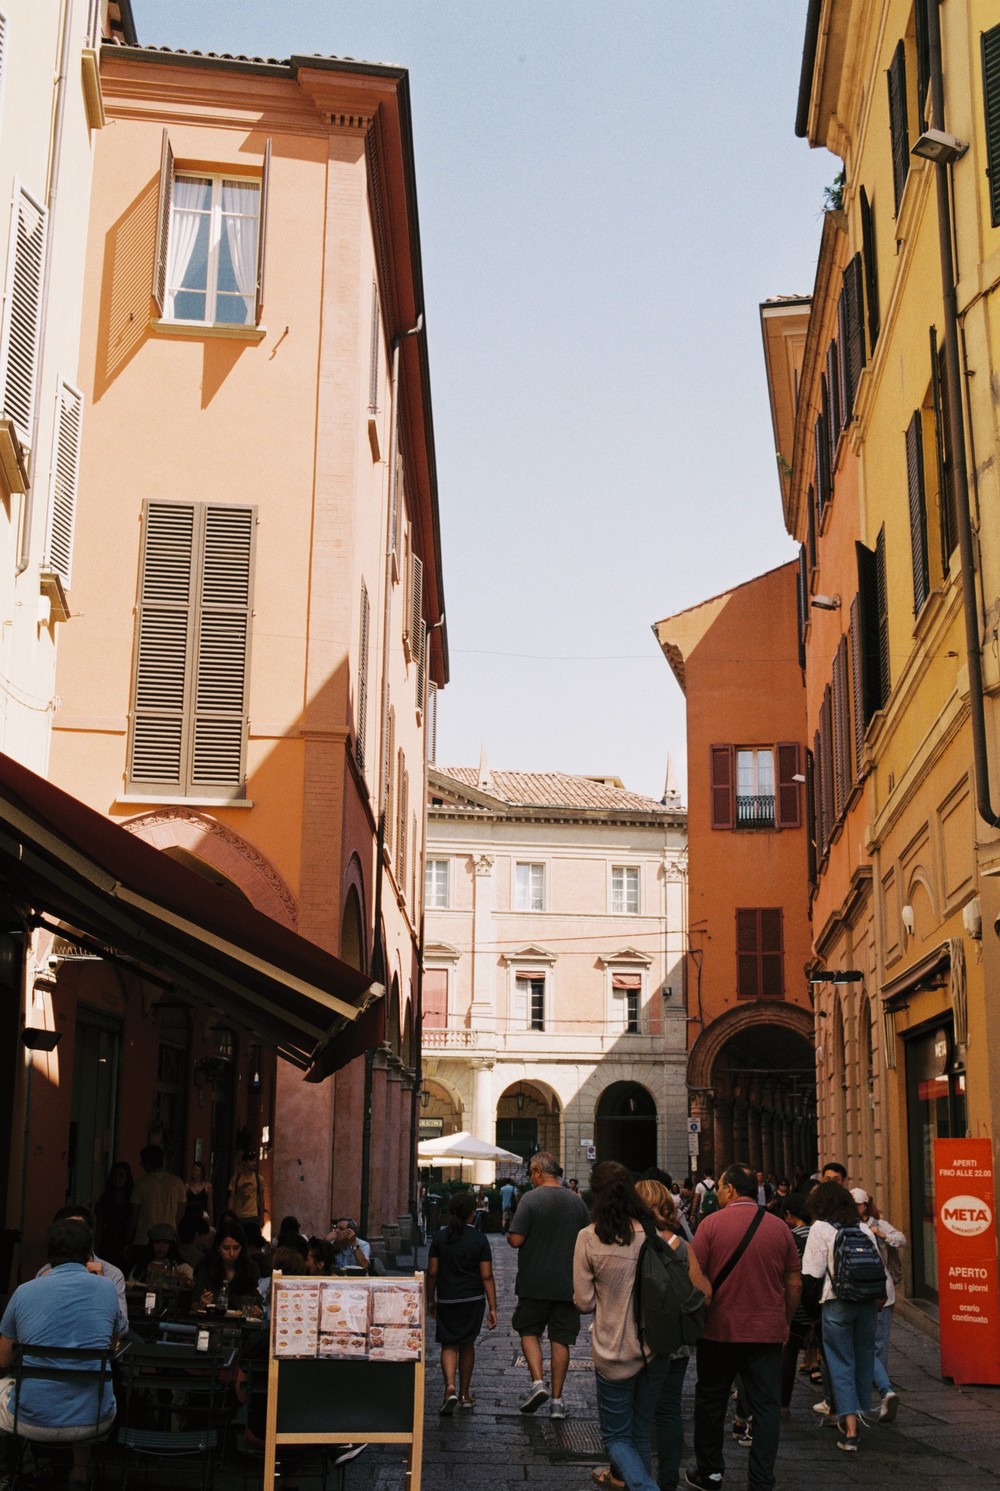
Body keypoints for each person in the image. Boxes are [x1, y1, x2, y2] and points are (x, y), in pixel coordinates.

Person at [574, 1165, 707, 1491]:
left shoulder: (588, 1237)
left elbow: (584, 1302)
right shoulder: (653, 1234)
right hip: (654, 1349)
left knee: (616, 1436)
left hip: (612, 1351)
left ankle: (645, 1488)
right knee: (641, 1430)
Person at [686, 1162, 801, 1491]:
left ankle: (709, 1472)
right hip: (765, 1332)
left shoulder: (710, 1226)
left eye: (721, 1187)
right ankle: (762, 1479)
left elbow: (697, 1280)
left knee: (711, 1402)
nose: (719, 1192)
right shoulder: (779, 1227)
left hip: (718, 1332)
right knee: (766, 1408)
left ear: (730, 1190)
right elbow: (793, 1284)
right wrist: (785, 1320)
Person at [1, 1218, 119, 1489]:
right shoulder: (107, 1288)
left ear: (49, 1252)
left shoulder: (24, 1292)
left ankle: (8, 1473)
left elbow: (3, 1359)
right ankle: (80, 1470)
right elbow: (112, 1345)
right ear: (88, 1253)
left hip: (31, 1419)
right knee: (85, 1385)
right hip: (94, 1419)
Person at [507, 1150, 590, 1417]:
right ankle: (556, 1400)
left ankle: (537, 1383)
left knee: (528, 1329)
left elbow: (516, 1239)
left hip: (534, 1281)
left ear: (540, 1171)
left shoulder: (530, 1199)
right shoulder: (577, 1202)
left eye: (531, 1172)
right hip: (568, 1283)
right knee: (561, 1339)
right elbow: (587, 1238)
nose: (530, 1177)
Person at [801, 1179, 880, 1452]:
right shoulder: (862, 1228)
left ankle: (850, 1430)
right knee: (864, 1358)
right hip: (867, 1303)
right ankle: (860, 1412)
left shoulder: (820, 1228)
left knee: (841, 1363)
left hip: (837, 1303)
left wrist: (812, 1310)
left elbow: (812, 1274)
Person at [426, 1191, 497, 1414]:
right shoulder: (479, 1239)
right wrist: (493, 1307)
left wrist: (430, 1299)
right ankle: (465, 1395)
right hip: (473, 1299)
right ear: (471, 1213)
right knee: (467, 1344)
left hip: (447, 1298)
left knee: (448, 1343)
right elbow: (486, 1275)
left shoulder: (440, 1238)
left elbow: (433, 1272)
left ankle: (450, 1386)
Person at [852, 1186, 905, 1422]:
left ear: (866, 1204)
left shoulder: (878, 1224)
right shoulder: (848, 1226)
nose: (855, 1209)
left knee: (878, 1343)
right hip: (862, 1293)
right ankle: (880, 1385)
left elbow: (901, 1239)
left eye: (858, 1205)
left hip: (883, 1293)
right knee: (866, 1341)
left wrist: (881, 1235)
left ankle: (881, 1385)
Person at [37, 1204, 129, 1342]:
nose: (72, 1236)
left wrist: (103, 1286)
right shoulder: (46, 1273)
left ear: (90, 1233)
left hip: (97, 1346)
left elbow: (122, 1329)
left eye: (78, 1230)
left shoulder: (112, 1274)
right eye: (66, 1230)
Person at [778, 1192, 815, 1416]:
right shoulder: (824, 1233)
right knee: (828, 1353)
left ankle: (783, 1404)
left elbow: (787, 1275)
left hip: (798, 1304)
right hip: (821, 1303)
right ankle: (834, 1407)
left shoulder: (789, 1237)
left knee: (789, 1351)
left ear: (790, 1215)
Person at [128, 1145, 186, 1262]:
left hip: (143, 1239)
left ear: (148, 1163)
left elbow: (134, 1215)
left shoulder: (141, 1183)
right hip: (169, 1239)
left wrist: (128, 1240)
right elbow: (180, 1212)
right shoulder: (177, 1182)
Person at [193, 1220, 260, 1309]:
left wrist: (256, 1309)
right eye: (226, 1248)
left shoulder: (249, 1269)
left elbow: (255, 1300)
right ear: (217, 1247)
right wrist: (201, 1304)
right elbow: (194, 1304)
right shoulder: (206, 1267)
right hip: (212, 1321)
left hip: (240, 1321)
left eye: (236, 1248)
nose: (231, 1253)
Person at [94, 1161, 132, 1271]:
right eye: (114, 1175)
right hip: (108, 1242)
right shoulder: (105, 1199)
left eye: (121, 1175)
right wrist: (96, 1249)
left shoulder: (132, 1200)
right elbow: (100, 1226)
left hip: (125, 1241)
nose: (117, 1179)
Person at [127, 1223, 193, 1286]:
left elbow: (196, 1289)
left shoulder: (183, 1268)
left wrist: (186, 1280)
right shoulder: (140, 1268)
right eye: (157, 1242)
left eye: (165, 1243)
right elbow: (130, 1287)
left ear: (171, 1245)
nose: (161, 1247)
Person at [227, 1150, 267, 1234]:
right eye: (251, 1161)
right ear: (244, 1162)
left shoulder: (259, 1179)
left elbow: (261, 1199)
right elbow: (232, 1197)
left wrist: (262, 1217)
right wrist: (229, 1214)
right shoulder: (236, 1178)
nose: (254, 1163)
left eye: (255, 1160)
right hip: (238, 1215)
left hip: (252, 1215)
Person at [182, 1159, 214, 1235]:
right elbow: (183, 1203)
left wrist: (211, 1219)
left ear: (202, 1173)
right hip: (189, 1215)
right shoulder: (187, 1186)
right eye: (193, 1170)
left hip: (202, 1215)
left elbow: (210, 1204)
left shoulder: (207, 1186)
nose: (194, 1172)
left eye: (197, 1170)